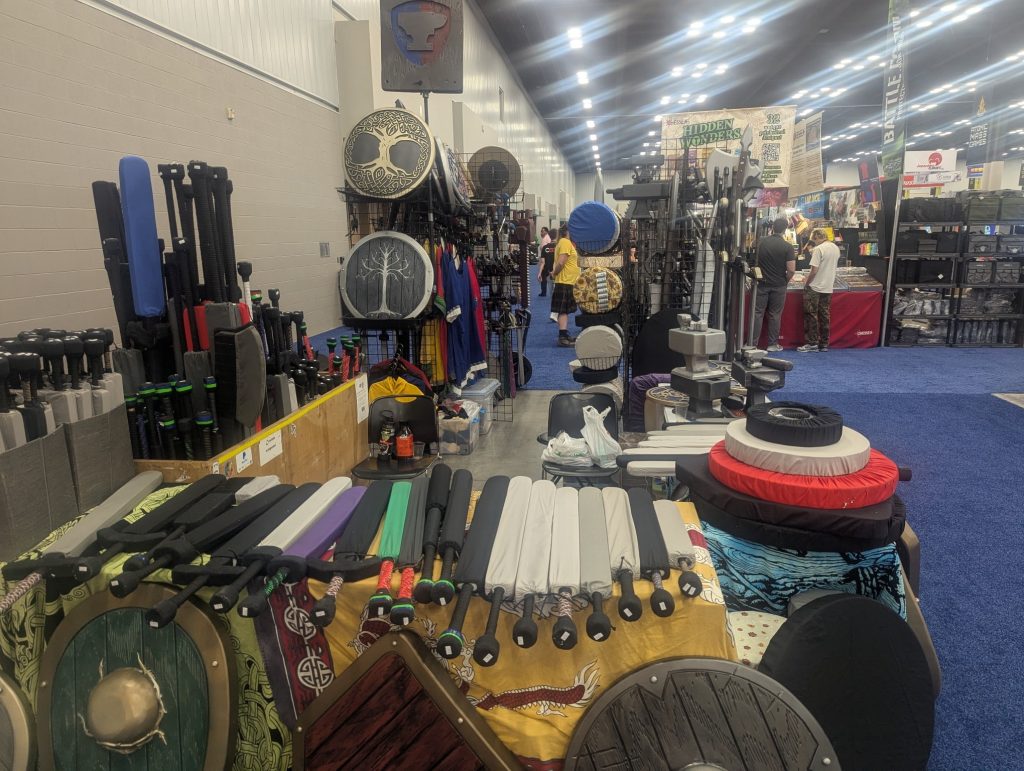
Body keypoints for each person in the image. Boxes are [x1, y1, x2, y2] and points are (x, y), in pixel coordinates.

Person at [751, 217, 795, 352]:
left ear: (772, 227)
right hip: (779, 285)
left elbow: (752, 251)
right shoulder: (788, 246)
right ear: (785, 229)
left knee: (757, 313)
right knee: (775, 315)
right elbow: (791, 270)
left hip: (761, 283)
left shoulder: (761, 242)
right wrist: (785, 281)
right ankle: (772, 344)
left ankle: (753, 344)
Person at [797, 229, 840, 352]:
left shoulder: (818, 249)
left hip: (815, 286)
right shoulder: (835, 248)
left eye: (813, 239)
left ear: (816, 237)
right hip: (828, 286)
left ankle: (812, 343)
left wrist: (807, 282)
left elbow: (814, 271)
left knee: (811, 314)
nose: (813, 242)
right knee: (824, 314)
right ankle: (824, 343)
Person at [551, 224, 580, 346]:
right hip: (565, 281)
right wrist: (554, 273)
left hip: (567, 281)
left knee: (564, 310)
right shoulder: (565, 242)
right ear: (568, 231)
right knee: (563, 310)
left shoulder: (565, 242)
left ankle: (564, 334)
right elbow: (561, 262)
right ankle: (562, 338)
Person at [537, 227, 555, 297]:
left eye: (543, 231)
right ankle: (545, 292)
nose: (541, 233)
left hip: (546, 261)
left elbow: (545, 250)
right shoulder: (545, 239)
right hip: (547, 260)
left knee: (544, 277)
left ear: (547, 232)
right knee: (547, 277)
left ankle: (544, 292)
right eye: (541, 231)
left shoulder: (546, 239)